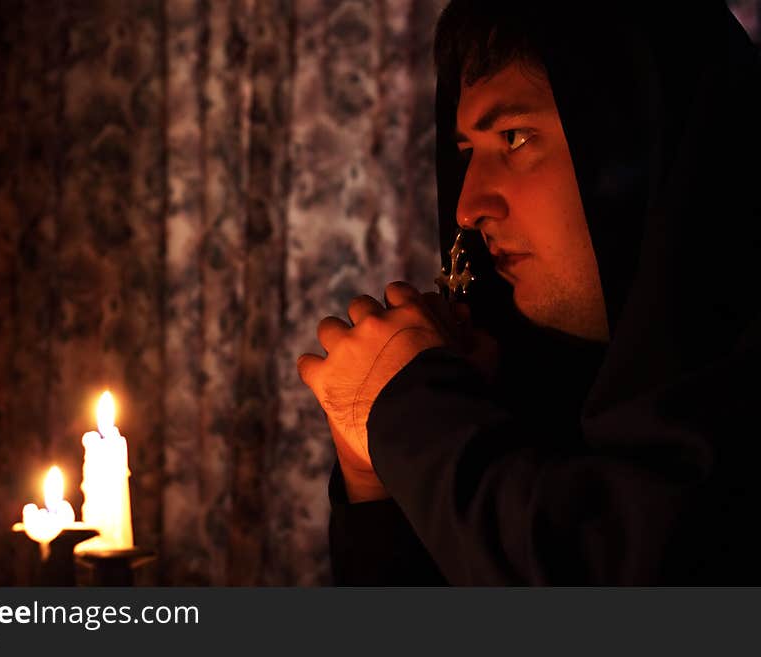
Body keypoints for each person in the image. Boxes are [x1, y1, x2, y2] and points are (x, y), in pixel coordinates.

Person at [297, 0, 761, 584]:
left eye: (515, 138)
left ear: (642, 141)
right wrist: (375, 482)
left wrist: (408, 415)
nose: (468, 208)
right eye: (468, 153)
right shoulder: (530, 393)